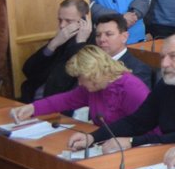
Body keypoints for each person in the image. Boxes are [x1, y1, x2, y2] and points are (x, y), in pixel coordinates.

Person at [66, 34, 175, 152]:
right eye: (162, 57)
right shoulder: (167, 84)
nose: (165, 64)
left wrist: (133, 141)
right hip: (173, 157)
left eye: (173, 56)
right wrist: (93, 138)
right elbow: (137, 121)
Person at [9, 45, 148, 128]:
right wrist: (32, 108)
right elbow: (65, 100)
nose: (80, 83)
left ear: (94, 74)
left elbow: (148, 127)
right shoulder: (93, 88)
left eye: (82, 78)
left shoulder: (131, 89)